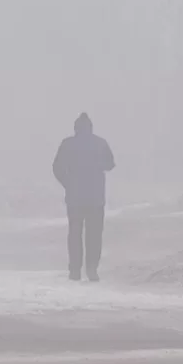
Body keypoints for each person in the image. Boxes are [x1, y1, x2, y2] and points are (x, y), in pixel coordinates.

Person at [52, 113, 115, 281]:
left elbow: (57, 167)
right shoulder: (100, 143)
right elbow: (110, 164)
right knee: (94, 235)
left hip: (75, 198)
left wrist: (68, 183)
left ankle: (74, 271)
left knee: (74, 234)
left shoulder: (68, 144)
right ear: (91, 128)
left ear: (76, 128)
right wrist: (97, 166)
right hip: (95, 198)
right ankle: (92, 270)